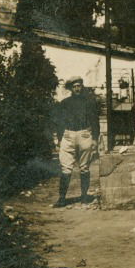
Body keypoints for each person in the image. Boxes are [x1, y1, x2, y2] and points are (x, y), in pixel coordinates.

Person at [52, 77, 100, 207]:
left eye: (79, 86)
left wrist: (95, 139)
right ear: (71, 89)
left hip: (84, 134)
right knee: (66, 168)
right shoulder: (65, 103)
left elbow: (95, 121)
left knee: (84, 167)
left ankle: (84, 196)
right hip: (68, 135)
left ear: (82, 87)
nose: (77, 88)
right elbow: (59, 121)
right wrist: (60, 138)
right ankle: (62, 198)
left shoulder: (89, 102)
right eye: (74, 86)